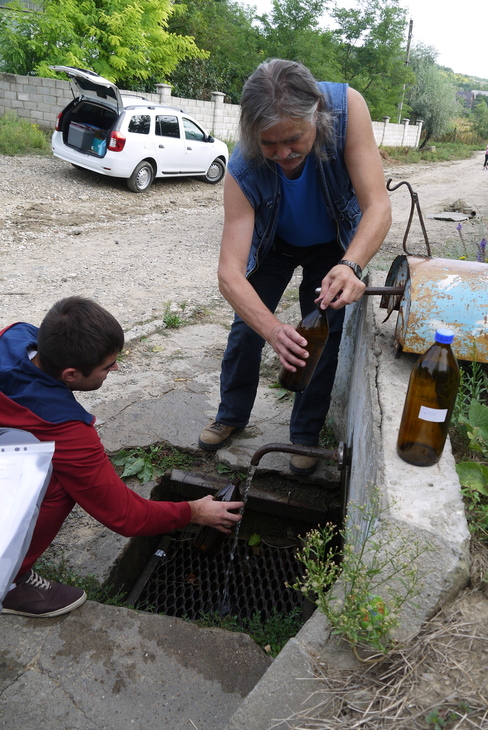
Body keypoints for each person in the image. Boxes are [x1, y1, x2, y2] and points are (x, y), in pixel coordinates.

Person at [198, 59, 391, 475]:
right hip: (276, 241)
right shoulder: (243, 165)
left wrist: (351, 265)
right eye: (270, 144)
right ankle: (231, 415)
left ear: (317, 116)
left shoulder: (347, 110)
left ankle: (303, 436)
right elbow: (229, 274)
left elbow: (378, 205)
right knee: (246, 327)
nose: (283, 153)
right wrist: (271, 329)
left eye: (294, 139)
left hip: (332, 244)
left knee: (322, 335)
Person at [0, 296, 243, 618]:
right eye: (106, 366)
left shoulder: (14, 335)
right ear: (70, 374)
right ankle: (10, 583)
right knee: (57, 479)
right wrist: (195, 511)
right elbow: (126, 516)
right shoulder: (64, 429)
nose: (115, 368)